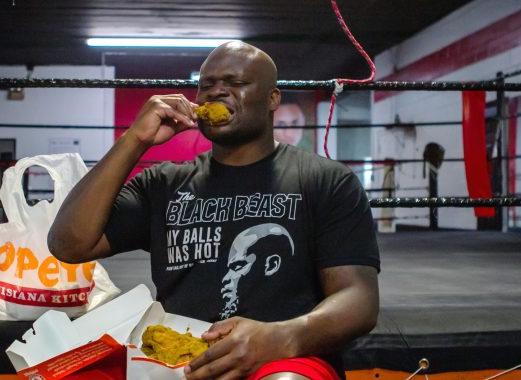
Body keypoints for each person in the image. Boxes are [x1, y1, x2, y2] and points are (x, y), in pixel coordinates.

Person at [48, 41, 380, 380]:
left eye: (235, 84)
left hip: (282, 357)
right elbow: (69, 244)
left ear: (272, 99)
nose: (216, 92)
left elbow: (359, 299)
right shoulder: (164, 183)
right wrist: (135, 139)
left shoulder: (324, 180)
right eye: (206, 85)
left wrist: (279, 337)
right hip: (176, 357)